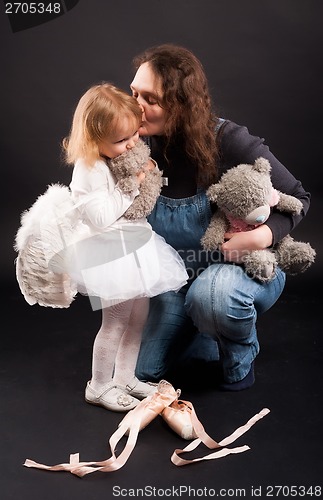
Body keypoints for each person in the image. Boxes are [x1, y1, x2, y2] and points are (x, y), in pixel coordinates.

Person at [130, 44, 311, 391]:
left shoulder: (228, 140)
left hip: (239, 272)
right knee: (141, 372)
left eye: (150, 99)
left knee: (212, 296)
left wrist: (262, 237)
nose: (136, 106)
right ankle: (203, 333)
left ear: (181, 104)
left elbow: (300, 197)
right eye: (134, 92)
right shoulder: (136, 144)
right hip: (177, 279)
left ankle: (239, 350)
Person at [62, 82, 188, 411]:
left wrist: (147, 179)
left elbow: (137, 203)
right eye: (121, 140)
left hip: (135, 245)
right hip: (110, 252)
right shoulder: (87, 169)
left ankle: (125, 378)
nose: (132, 144)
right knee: (115, 322)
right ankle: (100, 385)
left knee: (137, 319)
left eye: (134, 135)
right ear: (93, 139)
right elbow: (101, 216)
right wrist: (133, 186)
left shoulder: (119, 157)